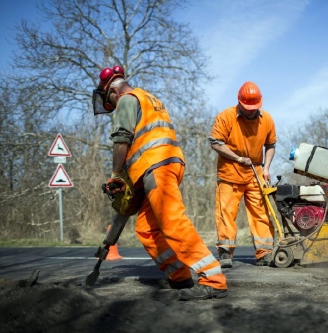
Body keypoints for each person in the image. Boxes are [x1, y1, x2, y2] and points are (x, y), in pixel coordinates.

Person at [92, 65, 227, 301]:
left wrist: (115, 174)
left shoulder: (126, 100)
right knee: (146, 229)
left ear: (111, 92)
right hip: (162, 165)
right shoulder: (149, 99)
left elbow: (122, 139)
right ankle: (179, 276)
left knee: (172, 222)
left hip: (157, 166)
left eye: (109, 100)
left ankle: (213, 280)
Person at [209, 81, 276, 268]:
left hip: (256, 172)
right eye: (247, 108)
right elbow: (216, 143)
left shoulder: (267, 120)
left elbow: (270, 145)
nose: (250, 111)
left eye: (254, 108)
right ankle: (225, 252)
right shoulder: (226, 117)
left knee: (261, 213)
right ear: (239, 102)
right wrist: (238, 158)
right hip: (230, 172)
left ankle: (264, 253)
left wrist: (267, 167)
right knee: (226, 214)